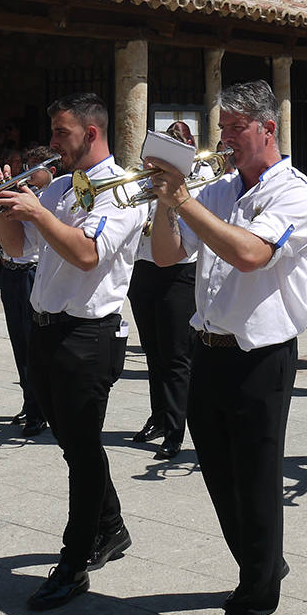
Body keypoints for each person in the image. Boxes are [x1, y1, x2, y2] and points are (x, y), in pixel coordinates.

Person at [147, 80, 307, 615]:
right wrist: (163, 205)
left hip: (261, 358)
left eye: (233, 129)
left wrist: (184, 200)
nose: (222, 139)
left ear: (267, 130)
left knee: (255, 480)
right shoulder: (218, 190)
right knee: (220, 476)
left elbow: (250, 254)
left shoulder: (297, 195)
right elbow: (170, 256)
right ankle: (262, 562)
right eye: (221, 128)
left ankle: (251, 605)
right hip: (208, 350)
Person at [0, 93, 145, 611]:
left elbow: (86, 254)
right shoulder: (59, 186)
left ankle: (73, 563)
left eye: (61, 133)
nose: (52, 144)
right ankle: (111, 527)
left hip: (88, 336)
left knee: (81, 451)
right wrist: (2, 209)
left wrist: (36, 209)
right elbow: (17, 249)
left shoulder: (121, 191)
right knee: (75, 444)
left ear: (91, 134)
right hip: (46, 330)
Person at [128, 121, 198, 460]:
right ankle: (158, 417)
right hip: (144, 270)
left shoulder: (192, 186)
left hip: (179, 274)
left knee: (175, 355)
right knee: (153, 352)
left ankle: (175, 428)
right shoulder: (140, 186)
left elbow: (186, 233)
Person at [0, 145, 56, 436]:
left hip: (33, 272)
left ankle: (40, 411)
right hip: (12, 273)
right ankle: (31, 403)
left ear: (51, 171)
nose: (27, 171)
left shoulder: (49, 200)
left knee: (33, 346)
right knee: (19, 344)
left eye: (34, 166)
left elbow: (35, 241)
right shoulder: (19, 196)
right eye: (25, 164)